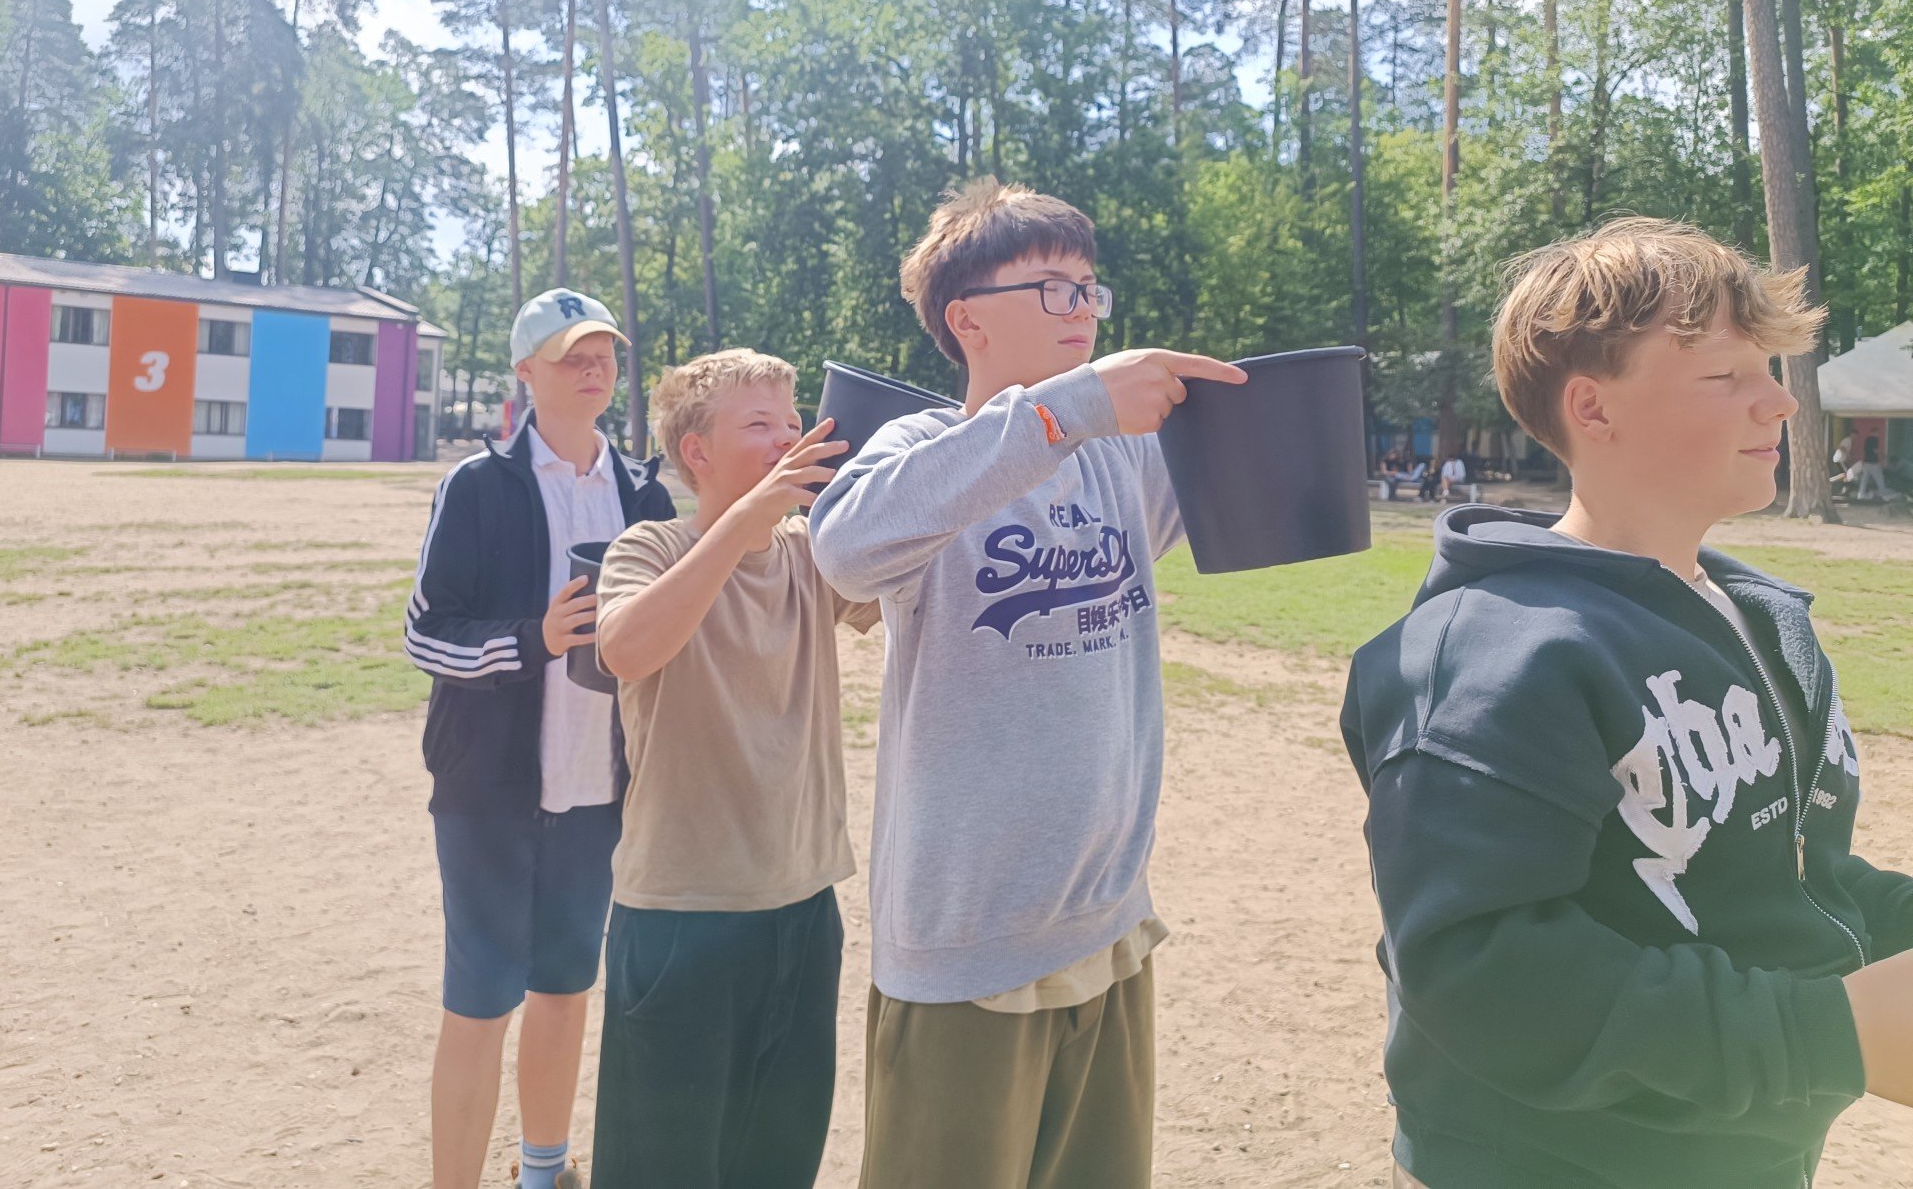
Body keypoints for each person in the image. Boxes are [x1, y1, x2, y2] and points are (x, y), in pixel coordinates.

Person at [1342, 218, 1913, 1189]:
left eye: (1768, 370)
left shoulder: (1754, 619)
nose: (1779, 401)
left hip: (1747, 1156)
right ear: (1592, 408)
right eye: (1724, 375)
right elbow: (1482, 975)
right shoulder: (1490, 655)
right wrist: (1827, 1034)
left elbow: (1781, 871)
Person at [810, 176, 1246, 1189]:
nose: (1082, 309)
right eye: (1053, 287)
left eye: (1089, 288)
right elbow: (844, 552)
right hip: (970, 943)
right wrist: (1067, 409)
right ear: (966, 320)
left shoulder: (1117, 461)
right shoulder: (920, 452)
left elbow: (1251, 490)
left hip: (1108, 921)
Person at [588, 349, 880, 1189]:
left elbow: (907, 583)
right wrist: (748, 518)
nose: (790, 439)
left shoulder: (811, 552)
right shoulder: (650, 546)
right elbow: (626, 648)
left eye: (794, 422)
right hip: (681, 918)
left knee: (777, 1165)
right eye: (760, 425)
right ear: (697, 453)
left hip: (806, 906)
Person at [405, 288, 676, 1189]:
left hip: (601, 791)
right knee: (479, 1003)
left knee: (565, 990)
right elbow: (425, 635)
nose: (594, 367)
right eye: (570, 355)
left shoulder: (643, 490)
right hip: (488, 792)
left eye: (604, 352)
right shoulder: (476, 487)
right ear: (526, 373)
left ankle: (543, 1172)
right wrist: (537, 640)